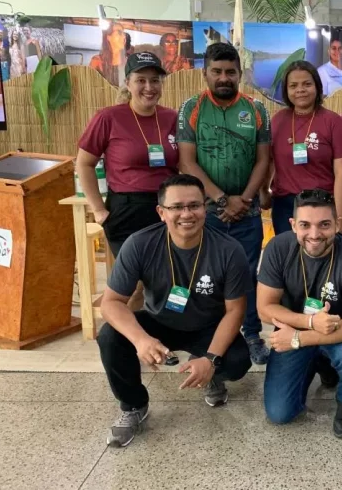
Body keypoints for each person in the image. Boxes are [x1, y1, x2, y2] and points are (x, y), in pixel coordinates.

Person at [97, 174, 253, 448]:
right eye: (177, 207)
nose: (186, 214)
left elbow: (235, 312)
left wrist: (211, 359)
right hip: (158, 320)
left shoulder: (229, 250)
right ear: (161, 212)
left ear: (205, 207)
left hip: (208, 324)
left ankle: (211, 374)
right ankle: (133, 405)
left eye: (194, 205)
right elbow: (111, 303)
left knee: (238, 361)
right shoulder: (139, 243)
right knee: (110, 336)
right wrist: (141, 340)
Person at [177, 42, 271, 365]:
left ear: (239, 74)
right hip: (206, 212)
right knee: (206, 276)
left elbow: (263, 160)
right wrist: (220, 199)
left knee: (248, 274)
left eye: (230, 72)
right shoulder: (191, 108)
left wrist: (244, 200)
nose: (223, 78)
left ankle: (252, 334)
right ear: (205, 74)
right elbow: (187, 162)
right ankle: (206, 339)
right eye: (216, 71)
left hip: (247, 211)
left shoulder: (256, 110)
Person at [257, 189, 342, 437]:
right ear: (293, 225)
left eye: (324, 224)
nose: (314, 234)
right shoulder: (278, 248)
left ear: (337, 224)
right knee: (279, 413)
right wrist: (310, 322)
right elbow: (265, 309)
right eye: (305, 225)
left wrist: (300, 338)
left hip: (339, 333)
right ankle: (320, 362)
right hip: (294, 328)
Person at [77, 52, 179, 313]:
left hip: (166, 210)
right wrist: (98, 210)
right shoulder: (108, 118)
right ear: (128, 83)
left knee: (165, 278)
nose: (149, 87)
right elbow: (84, 164)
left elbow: (184, 163)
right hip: (126, 210)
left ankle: (157, 330)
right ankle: (125, 332)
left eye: (155, 80)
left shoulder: (172, 118)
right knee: (133, 283)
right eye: (141, 80)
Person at [263, 60, 342, 235]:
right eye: (293, 86)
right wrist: (264, 191)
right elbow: (269, 161)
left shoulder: (333, 121)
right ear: (286, 90)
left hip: (322, 203)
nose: (300, 90)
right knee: (288, 251)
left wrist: (339, 217)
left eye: (307, 84)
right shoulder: (278, 120)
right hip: (285, 206)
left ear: (317, 86)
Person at [90, 21, 127, 86]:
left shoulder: (128, 62)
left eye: (124, 33)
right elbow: (90, 85)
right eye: (119, 32)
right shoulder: (97, 61)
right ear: (108, 37)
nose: (124, 37)